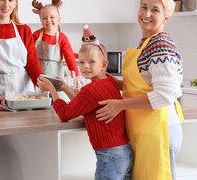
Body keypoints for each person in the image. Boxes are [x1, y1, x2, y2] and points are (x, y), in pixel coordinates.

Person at [96, 0, 185, 180]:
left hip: (160, 131)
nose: (146, 14)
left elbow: (165, 96)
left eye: (155, 10)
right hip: (146, 131)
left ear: (166, 16)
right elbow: (140, 85)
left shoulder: (161, 44)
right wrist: (105, 81)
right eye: (143, 7)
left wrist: (119, 105)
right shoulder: (147, 42)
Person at [37, 24, 133, 180]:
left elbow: (64, 114)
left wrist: (52, 91)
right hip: (124, 152)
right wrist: (65, 87)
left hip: (109, 156)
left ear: (104, 65)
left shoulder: (91, 89)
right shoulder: (109, 80)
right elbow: (84, 104)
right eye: (81, 62)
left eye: (91, 62)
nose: (85, 66)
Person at [31, 0, 79, 100]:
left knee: (58, 102)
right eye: (44, 18)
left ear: (58, 20)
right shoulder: (35, 36)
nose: (48, 20)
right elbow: (29, 55)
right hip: (39, 80)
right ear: (40, 20)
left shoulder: (62, 38)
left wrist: (76, 77)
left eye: (52, 17)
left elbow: (70, 59)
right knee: (41, 102)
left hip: (57, 81)